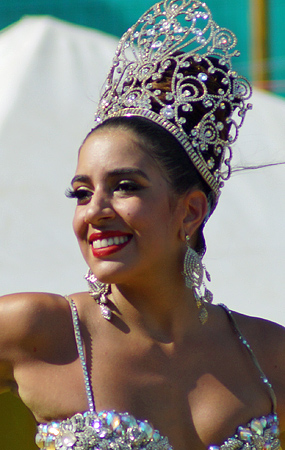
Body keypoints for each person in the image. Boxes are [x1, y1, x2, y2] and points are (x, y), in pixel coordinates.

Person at [0, 1, 284, 449]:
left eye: (125, 186)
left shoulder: (268, 354)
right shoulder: (36, 329)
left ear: (190, 211)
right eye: (80, 193)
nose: (95, 211)